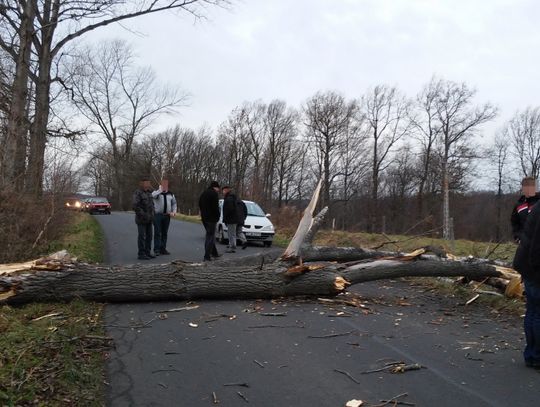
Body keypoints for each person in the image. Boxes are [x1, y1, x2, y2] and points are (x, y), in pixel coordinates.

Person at [513, 202, 540, 369]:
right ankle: (536, 355)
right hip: (534, 268)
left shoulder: (537, 206)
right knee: (537, 313)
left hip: (527, 265)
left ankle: (531, 354)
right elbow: (537, 248)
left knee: (533, 311)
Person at [152, 178, 177, 256]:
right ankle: (156, 249)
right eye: (163, 184)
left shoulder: (171, 194)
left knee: (164, 233)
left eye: (166, 185)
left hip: (167, 216)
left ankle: (163, 249)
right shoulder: (156, 193)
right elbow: (152, 196)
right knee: (157, 233)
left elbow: (174, 204)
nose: (165, 186)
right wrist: (160, 190)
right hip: (157, 215)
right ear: (161, 185)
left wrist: (174, 212)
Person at [511, 177, 540, 243]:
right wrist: (517, 236)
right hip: (523, 242)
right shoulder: (519, 205)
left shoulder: (538, 203)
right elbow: (514, 223)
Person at [133, 178, 155, 260]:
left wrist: (153, 214)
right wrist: (144, 215)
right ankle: (141, 253)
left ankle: (147, 252)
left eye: (148, 183)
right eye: (146, 183)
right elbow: (135, 206)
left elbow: (152, 205)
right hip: (141, 219)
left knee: (149, 236)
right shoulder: (137, 193)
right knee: (142, 236)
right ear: (141, 183)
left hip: (150, 219)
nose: (147, 184)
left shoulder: (149, 193)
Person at [199, 181, 220, 261]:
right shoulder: (214, 194)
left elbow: (200, 203)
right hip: (211, 218)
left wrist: (203, 212)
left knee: (210, 235)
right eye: (218, 188)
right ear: (215, 187)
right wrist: (217, 216)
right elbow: (215, 207)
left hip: (204, 218)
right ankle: (207, 256)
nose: (218, 190)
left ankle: (214, 253)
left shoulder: (204, 193)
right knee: (210, 237)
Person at [222, 186, 242, 253]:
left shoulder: (229, 198)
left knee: (231, 233)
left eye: (224, 190)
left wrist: (226, 216)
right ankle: (232, 245)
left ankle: (232, 247)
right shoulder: (231, 197)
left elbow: (229, 209)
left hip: (231, 219)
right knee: (231, 233)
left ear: (227, 190)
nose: (223, 192)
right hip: (233, 219)